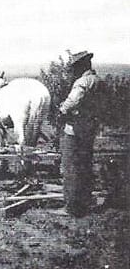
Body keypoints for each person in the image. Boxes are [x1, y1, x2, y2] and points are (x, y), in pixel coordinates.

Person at [58, 51, 100, 216]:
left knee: (71, 168)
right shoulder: (97, 81)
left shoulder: (82, 82)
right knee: (85, 166)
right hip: (90, 129)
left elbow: (71, 102)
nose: (73, 71)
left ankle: (72, 207)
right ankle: (85, 202)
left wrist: (61, 110)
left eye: (75, 67)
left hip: (75, 130)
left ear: (81, 66)